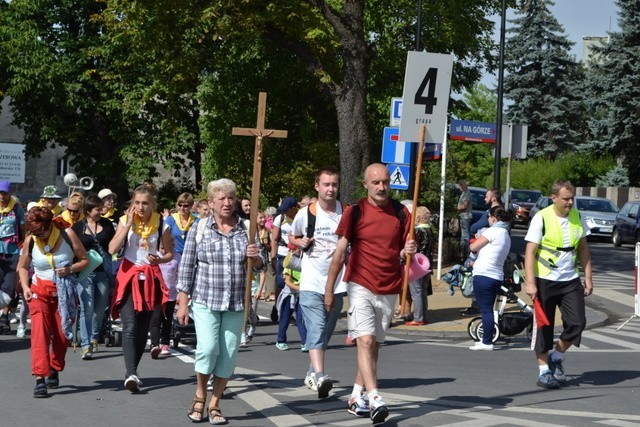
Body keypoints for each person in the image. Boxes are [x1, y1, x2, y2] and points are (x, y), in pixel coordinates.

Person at [324, 163, 416, 424]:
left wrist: (407, 249)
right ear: (365, 184)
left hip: (389, 286)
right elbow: (340, 253)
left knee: (373, 345)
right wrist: (329, 290)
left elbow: (402, 253)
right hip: (360, 284)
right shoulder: (355, 212)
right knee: (364, 341)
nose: (381, 187)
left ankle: (355, 396)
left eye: (385, 181)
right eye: (375, 182)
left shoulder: (401, 213)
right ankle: (375, 397)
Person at [176, 178, 265, 424]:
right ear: (211, 203)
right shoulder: (200, 227)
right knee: (207, 348)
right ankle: (200, 394)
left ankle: (215, 403)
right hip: (206, 299)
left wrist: (255, 257)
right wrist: (183, 303)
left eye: (230, 198)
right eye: (221, 199)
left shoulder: (246, 228)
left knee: (228, 355)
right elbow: (187, 268)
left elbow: (261, 265)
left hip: (236, 302)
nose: (227, 203)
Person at [524, 180, 593, 389]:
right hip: (545, 280)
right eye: (565, 199)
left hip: (570, 280)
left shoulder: (577, 217)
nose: (570, 202)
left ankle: (556, 356)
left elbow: (583, 250)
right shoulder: (541, 217)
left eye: (572, 198)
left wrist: (588, 277)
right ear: (553, 198)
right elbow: (530, 252)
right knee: (544, 326)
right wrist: (530, 283)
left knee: (577, 323)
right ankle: (544, 371)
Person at [17, 207, 89, 398]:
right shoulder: (31, 240)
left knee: (62, 336)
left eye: (41, 232)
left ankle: (54, 367)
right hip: (39, 293)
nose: (38, 236)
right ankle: (40, 378)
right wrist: (25, 287)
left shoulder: (67, 234)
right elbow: (23, 267)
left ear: (49, 226)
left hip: (64, 296)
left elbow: (85, 260)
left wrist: (70, 269)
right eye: (34, 233)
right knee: (39, 336)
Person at [108, 183, 173, 393]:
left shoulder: (162, 223)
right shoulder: (124, 220)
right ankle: (131, 373)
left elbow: (169, 254)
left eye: (145, 203)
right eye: (137, 203)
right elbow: (112, 248)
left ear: (152, 204)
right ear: (132, 204)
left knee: (143, 329)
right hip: (129, 277)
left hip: (150, 278)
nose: (141, 207)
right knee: (129, 326)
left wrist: (159, 260)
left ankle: (133, 372)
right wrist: (127, 226)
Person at [289, 168, 347, 401]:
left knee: (326, 331)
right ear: (317, 187)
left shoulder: (346, 212)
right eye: (326, 184)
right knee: (316, 326)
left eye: (334, 184)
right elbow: (292, 237)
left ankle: (312, 371)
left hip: (338, 282)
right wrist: (299, 241)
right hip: (312, 280)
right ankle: (321, 376)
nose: (330, 188)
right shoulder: (306, 213)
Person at [149, 192, 195, 359]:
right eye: (180, 205)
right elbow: (163, 235)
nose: (183, 208)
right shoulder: (170, 220)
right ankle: (155, 342)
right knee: (156, 314)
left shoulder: (195, 221)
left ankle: (166, 341)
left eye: (186, 205)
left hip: (187, 258)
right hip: (170, 254)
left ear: (191, 206)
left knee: (168, 314)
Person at [71, 194, 116, 359]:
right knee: (86, 308)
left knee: (99, 309)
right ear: (89, 211)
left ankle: (94, 337)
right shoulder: (77, 227)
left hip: (103, 271)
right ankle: (85, 344)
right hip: (84, 273)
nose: (101, 211)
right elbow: (72, 249)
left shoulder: (108, 224)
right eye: (98, 208)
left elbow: (113, 246)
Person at [468, 206, 512, 350]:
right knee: (489, 308)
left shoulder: (492, 231)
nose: (487, 220)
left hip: (484, 274)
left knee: (486, 309)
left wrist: (477, 240)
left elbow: (473, 247)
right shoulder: (505, 234)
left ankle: (487, 341)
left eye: (488, 217)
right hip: (496, 275)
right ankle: (486, 339)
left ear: (494, 218)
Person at [0, 181, 25, 335]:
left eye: (5, 193)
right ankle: (3, 317)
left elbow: (23, 229)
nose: (2, 196)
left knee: (9, 289)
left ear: (10, 193)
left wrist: (25, 249)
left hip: (12, 252)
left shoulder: (17, 208)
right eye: (0, 193)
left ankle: (4, 314)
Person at [405, 206, 435, 326]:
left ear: (417, 219)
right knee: (423, 290)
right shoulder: (431, 231)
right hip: (428, 264)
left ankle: (418, 318)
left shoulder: (416, 232)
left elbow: (413, 247)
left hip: (417, 264)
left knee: (416, 291)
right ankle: (424, 316)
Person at [270, 196, 298, 299]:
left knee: (295, 282)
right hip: (282, 254)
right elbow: (274, 239)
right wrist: (273, 257)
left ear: (294, 208)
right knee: (280, 282)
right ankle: (277, 308)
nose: (284, 212)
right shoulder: (280, 218)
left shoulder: (301, 217)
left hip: (296, 256)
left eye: (286, 210)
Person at [275, 267, 307, 351]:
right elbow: (287, 281)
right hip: (289, 294)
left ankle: (305, 342)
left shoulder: (306, 262)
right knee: (285, 319)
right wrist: (300, 289)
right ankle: (280, 341)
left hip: (301, 295)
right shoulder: (289, 264)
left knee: (301, 318)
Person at [457, 179, 472, 261]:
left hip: (465, 216)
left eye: (460, 186)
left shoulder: (466, 194)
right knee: (463, 236)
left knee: (465, 236)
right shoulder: (464, 193)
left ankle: (465, 253)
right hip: (464, 216)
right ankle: (463, 253)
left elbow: (464, 205)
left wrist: (458, 207)